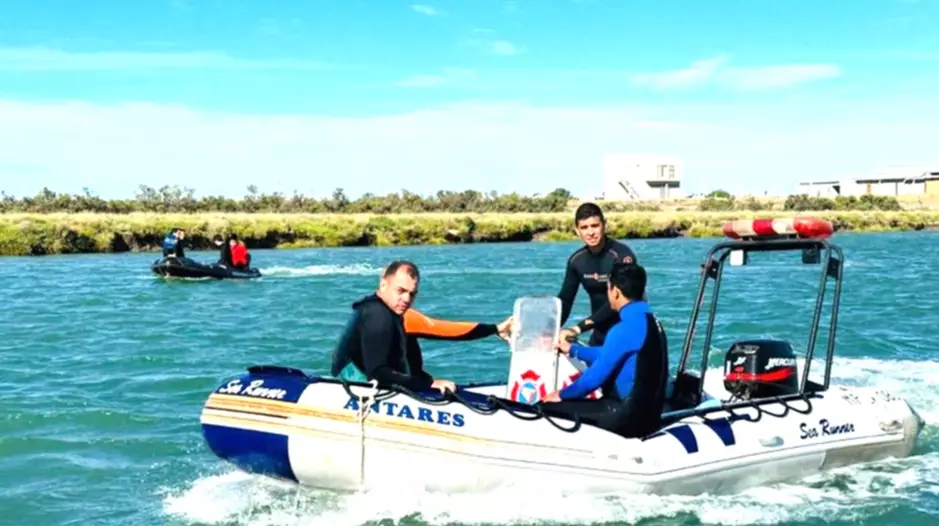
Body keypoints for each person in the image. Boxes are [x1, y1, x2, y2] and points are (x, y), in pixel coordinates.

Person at [330, 260, 511, 394]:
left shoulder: (395, 311)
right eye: (401, 291)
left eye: (412, 294)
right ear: (383, 284)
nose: (407, 299)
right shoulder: (377, 315)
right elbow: (378, 373)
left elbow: (444, 330)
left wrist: (494, 329)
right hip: (360, 391)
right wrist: (427, 385)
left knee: (408, 341)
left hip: (389, 384)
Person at [541, 261, 669, 438]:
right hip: (650, 415)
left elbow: (592, 380)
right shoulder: (650, 321)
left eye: (608, 288)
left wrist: (560, 395)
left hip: (624, 416)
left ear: (615, 291)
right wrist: (572, 349)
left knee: (543, 408)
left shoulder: (624, 328)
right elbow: (607, 354)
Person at [556, 202, 638, 346]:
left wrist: (578, 328)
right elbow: (565, 301)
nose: (590, 232)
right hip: (599, 334)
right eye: (584, 227)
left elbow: (620, 300)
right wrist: (549, 328)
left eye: (595, 226)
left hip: (628, 332)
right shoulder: (576, 261)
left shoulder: (622, 256)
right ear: (577, 230)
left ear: (604, 225)